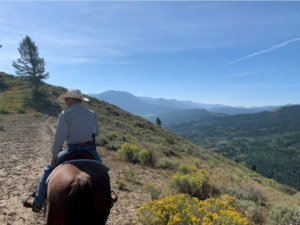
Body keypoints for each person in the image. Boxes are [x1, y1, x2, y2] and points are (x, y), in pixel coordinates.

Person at [23, 89, 103, 212]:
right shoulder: (92, 113)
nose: (66, 103)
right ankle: (109, 197)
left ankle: (38, 202)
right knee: (103, 171)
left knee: (49, 169)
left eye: (66, 100)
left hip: (72, 150)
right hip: (90, 150)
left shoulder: (66, 114)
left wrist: (54, 156)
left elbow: (59, 137)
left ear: (70, 99)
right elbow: (97, 133)